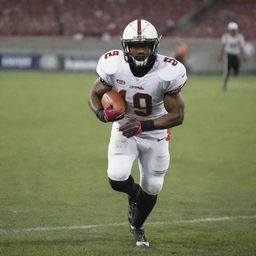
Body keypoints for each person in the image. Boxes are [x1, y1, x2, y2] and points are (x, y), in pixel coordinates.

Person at [88, 19, 187, 247]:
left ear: (155, 45)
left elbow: (178, 116)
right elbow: (93, 94)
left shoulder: (167, 72)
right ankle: (134, 195)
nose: (140, 50)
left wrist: (144, 126)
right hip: (125, 127)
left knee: (153, 186)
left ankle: (137, 226)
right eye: (134, 46)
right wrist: (100, 114)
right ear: (125, 46)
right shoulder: (113, 65)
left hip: (155, 132)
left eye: (145, 45)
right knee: (117, 176)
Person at [218, 21, 246, 91]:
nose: (233, 32)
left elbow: (241, 47)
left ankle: (235, 74)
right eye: (232, 30)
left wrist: (243, 55)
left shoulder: (239, 37)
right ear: (229, 30)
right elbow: (222, 46)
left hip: (236, 55)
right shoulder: (226, 36)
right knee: (227, 71)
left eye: (234, 30)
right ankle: (224, 85)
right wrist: (220, 56)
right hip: (228, 55)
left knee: (236, 71)